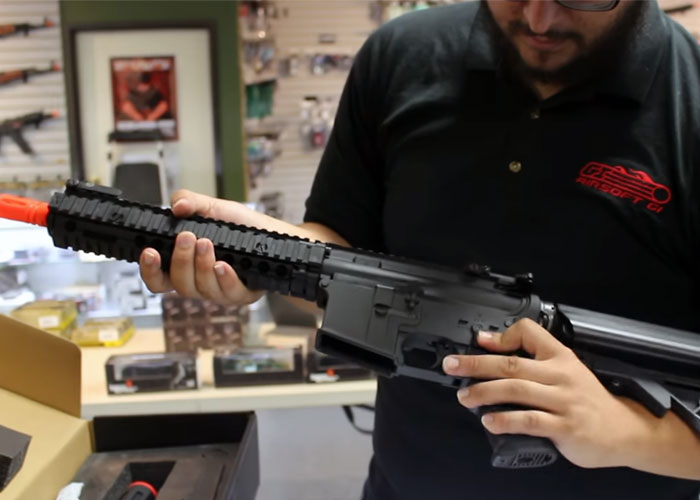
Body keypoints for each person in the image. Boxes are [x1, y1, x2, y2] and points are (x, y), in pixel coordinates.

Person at [139, 1, 700, 498]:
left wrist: (627, 433)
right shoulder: (400, 57)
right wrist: (261, 253)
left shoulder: (690, 98)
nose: (539, 18)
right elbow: (342, 251)